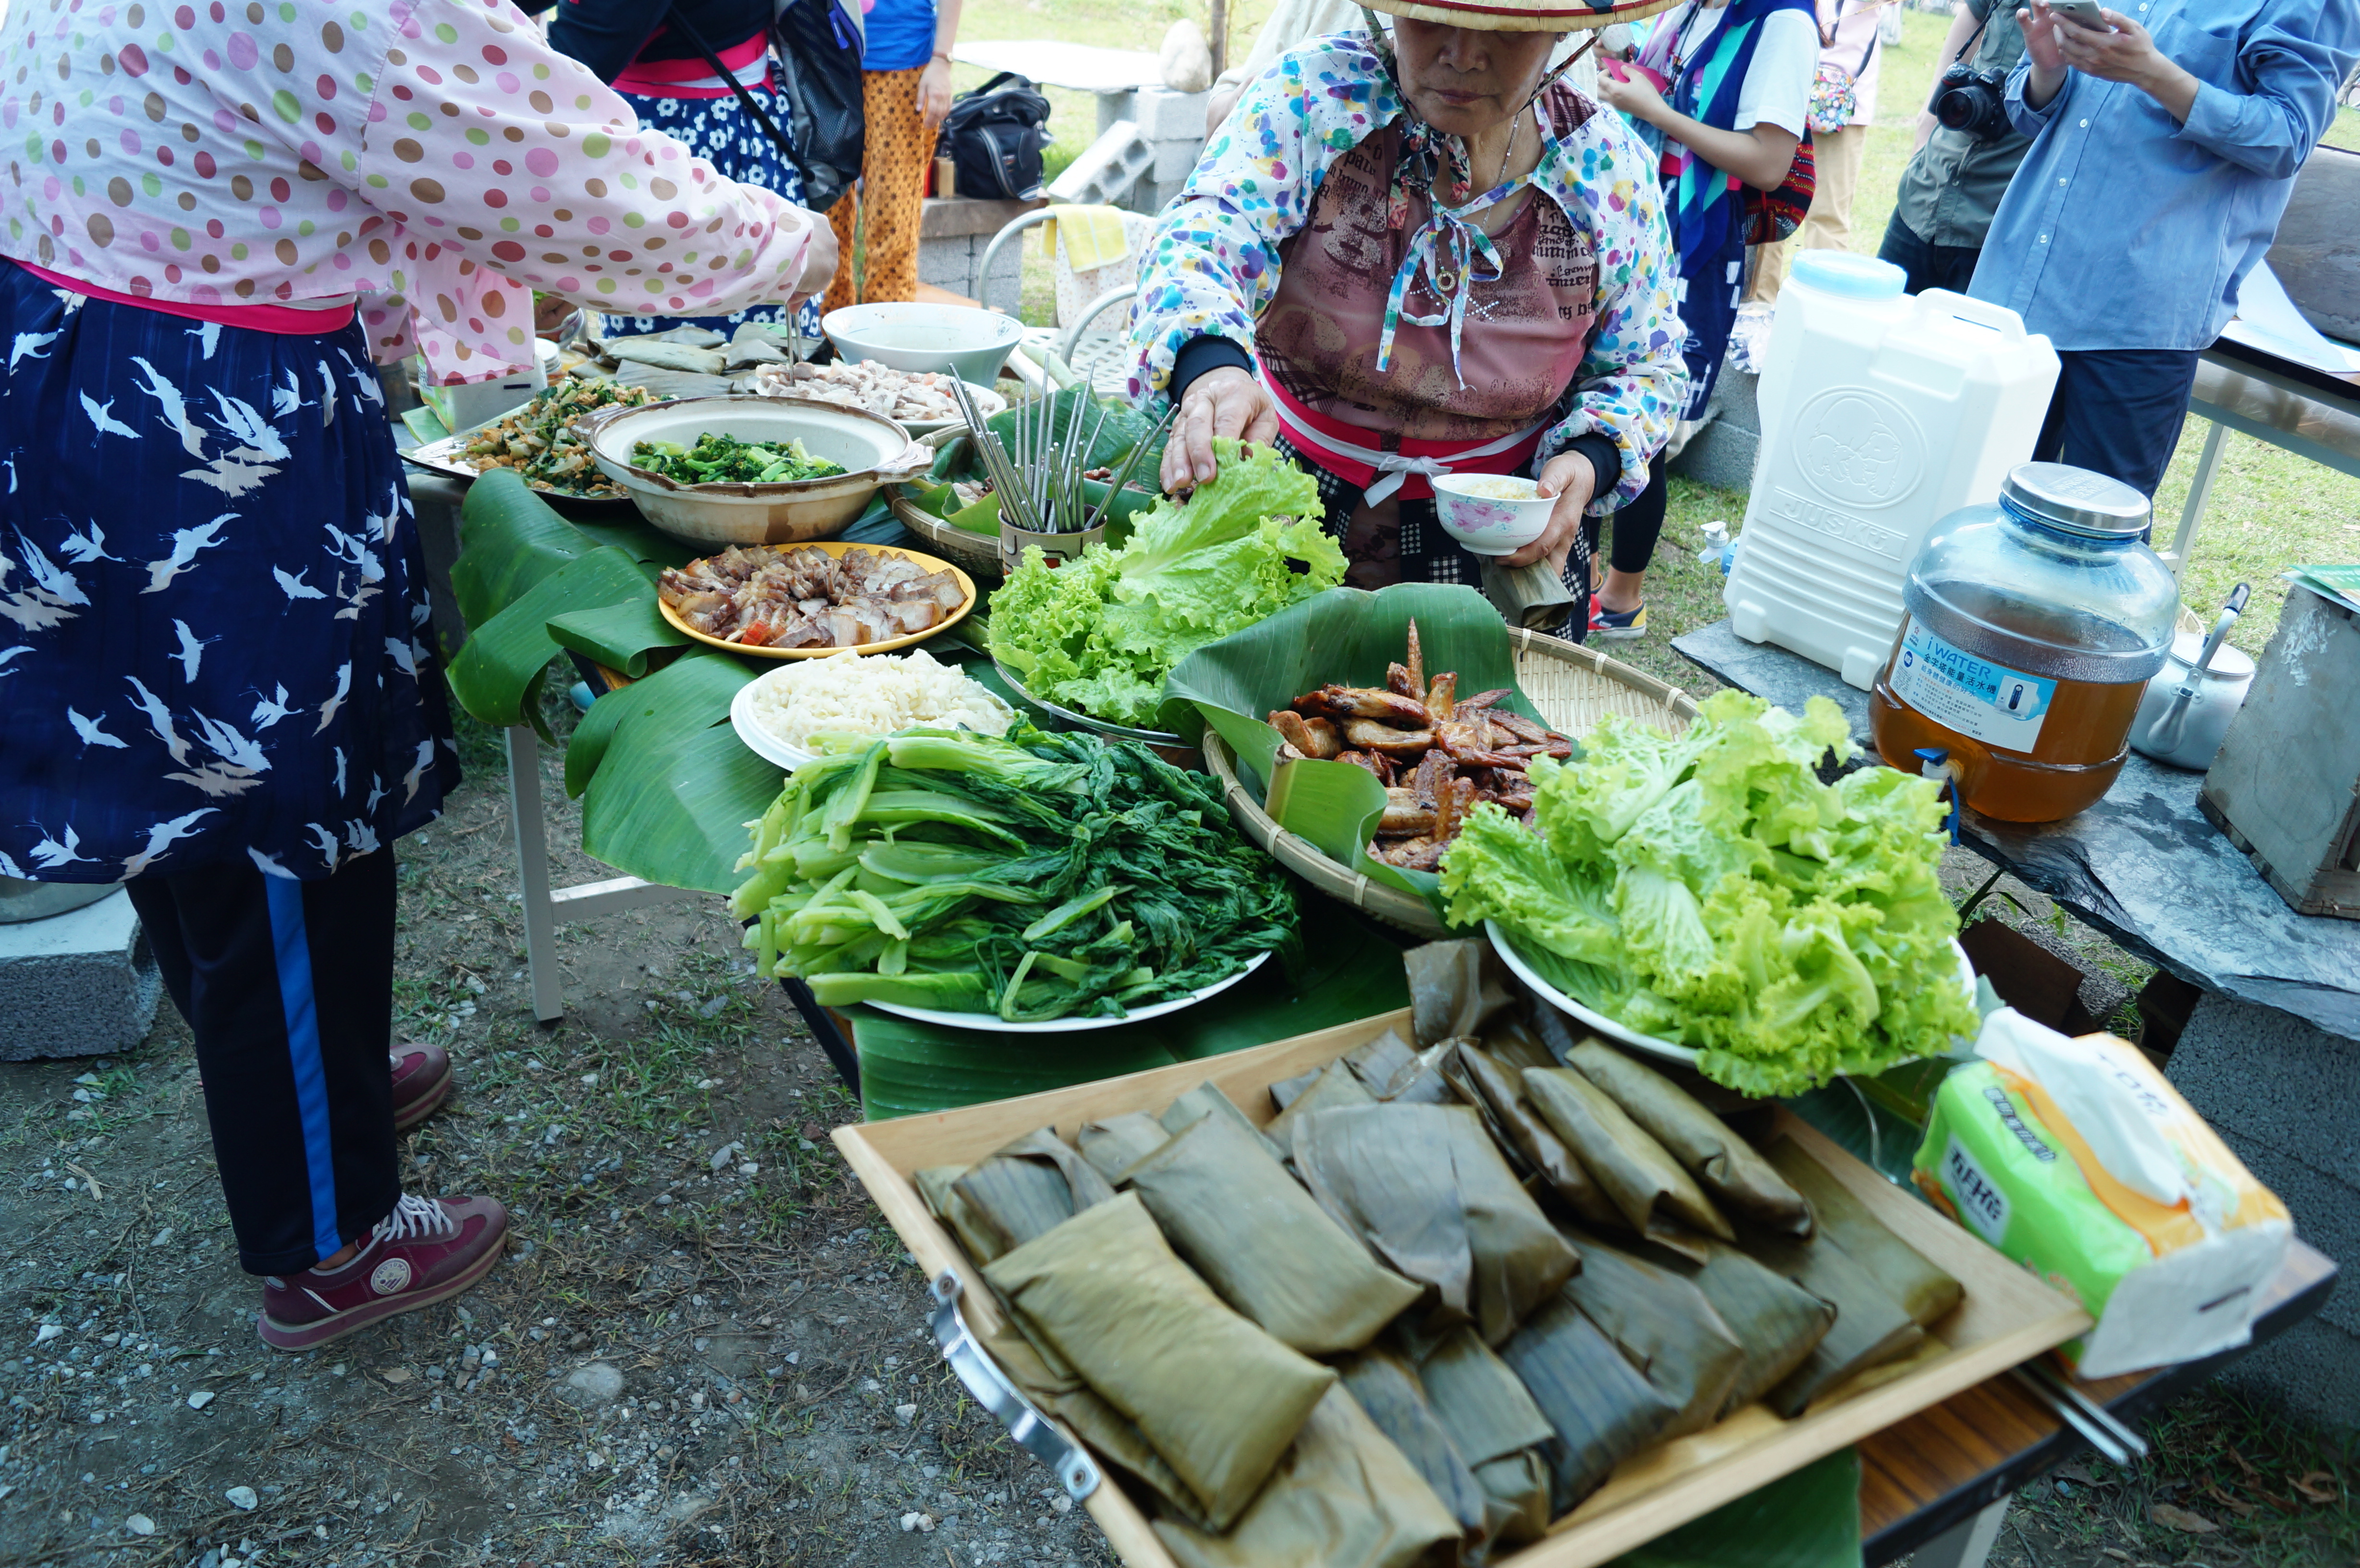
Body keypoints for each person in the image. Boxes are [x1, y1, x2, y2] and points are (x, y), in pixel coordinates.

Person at [0, 2, 830, 1350]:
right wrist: (789, 243)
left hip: (79, 355)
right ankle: (329, 1235)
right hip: (204, 401)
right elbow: (546, 166)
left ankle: (302, 1081)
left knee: (179, 787)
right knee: (270, 826)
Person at [1132, 1, 1686, 643]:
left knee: (1470, 734)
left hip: (1498, 540)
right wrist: (1215, 374)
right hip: (1282, 501)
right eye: (1433, 16)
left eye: (1502, 31)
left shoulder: (1605, 173)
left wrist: (1591, 459)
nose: (1462, 53)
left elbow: (1646, 369)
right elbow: (1203, 237)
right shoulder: (1317, 101)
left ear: (1562, 31)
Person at [1968, 0, 2360, 498]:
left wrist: (2153, 74)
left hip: (2136, 316)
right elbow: (2029, 111)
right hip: (2020, 286)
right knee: (1973, 500)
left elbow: (2286, 137)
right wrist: (2047, 68)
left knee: (2093, 543)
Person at [1589, 0, 1816, 638]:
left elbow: (1769, 163)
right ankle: (1588, 581)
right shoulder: (1688, 9)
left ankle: (1621, 602)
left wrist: (1656, 113)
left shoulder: (1784, 23)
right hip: (1636, 222)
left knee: (1648, 420)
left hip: (1692, 245)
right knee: (1594, 397)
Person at [537, 0, 828, 342]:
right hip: (656, 126)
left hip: (712, 132)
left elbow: (581, 55)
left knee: (748, 346)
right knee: (651, 347)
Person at [1878, 0, 2032, 296]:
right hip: (1926, 193)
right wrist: (1928, 119)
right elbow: (1975, 12)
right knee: (1879, 329)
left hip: (1994, 224)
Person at [1747, 0, 1894, 306]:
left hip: (1842, 99)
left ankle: (1815, 313)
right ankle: (1756, 310)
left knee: (1828, 217)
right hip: (1783, 83)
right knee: (1767, 203)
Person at [824, 0, 964, 311]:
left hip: (899, 60)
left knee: (892, 214)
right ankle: (822, 337)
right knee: (822, 213)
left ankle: (884, 339)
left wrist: (942, 60)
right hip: (821, 55)